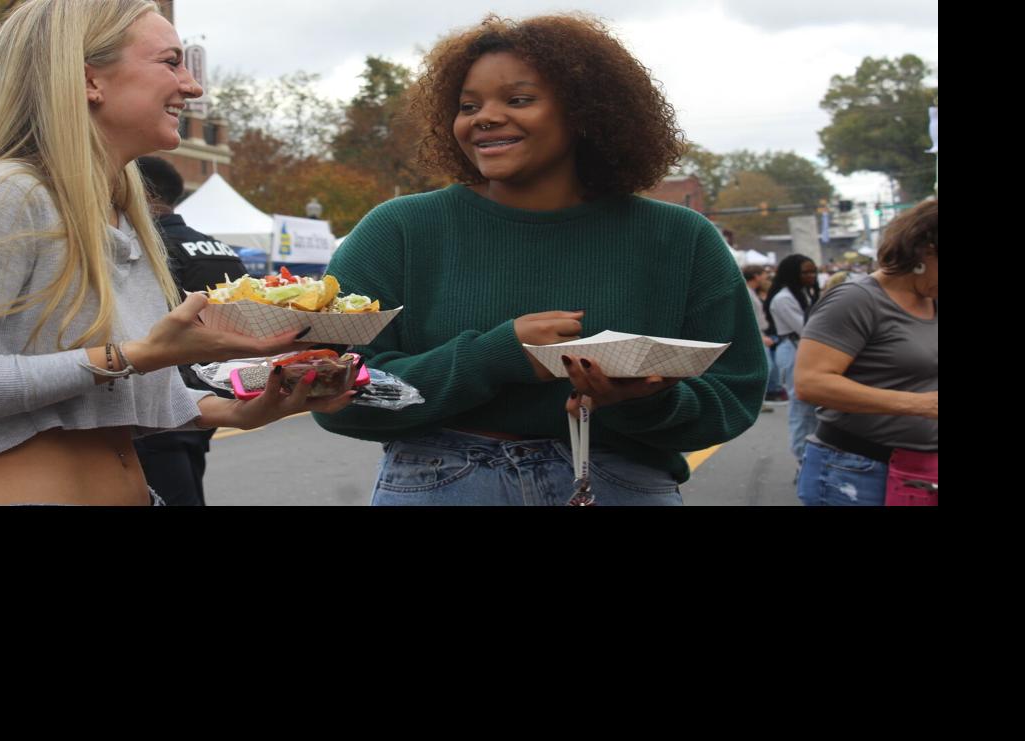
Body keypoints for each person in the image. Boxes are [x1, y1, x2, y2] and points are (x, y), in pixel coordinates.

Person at [0, 0, 353, 506]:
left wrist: (243, 409)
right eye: (171, 62)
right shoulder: (2, 198)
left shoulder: (118, 213)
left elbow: (103, 404)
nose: (192, 87)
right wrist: (135, 356)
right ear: (90, 81)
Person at [312, 12, 766, 505]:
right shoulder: (397, 230)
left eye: (518, 99)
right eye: (468, 105)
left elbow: (733, 396)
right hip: (441, 482)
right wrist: (492, 357)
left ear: (584, 112)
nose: (484, 117)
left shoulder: (681, 238)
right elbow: (331, 392)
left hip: (620, 482)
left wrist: (646, 401)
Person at [793, 197, 938, 506]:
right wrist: (920, 405)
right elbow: (811, 383)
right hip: (855, 470)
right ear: (926, 250)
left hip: (916, 471)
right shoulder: (856, 300)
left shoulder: (931, 301)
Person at [129, 154, 247, 506]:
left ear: (142, 193)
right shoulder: (219, 248)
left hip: (161, 394)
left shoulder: (148, 247)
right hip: (211, 388)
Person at [765, 253, 819, 461]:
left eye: (813, 271)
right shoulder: (784, 299)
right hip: (792, 350)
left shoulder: (806, 293)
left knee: (813, 408)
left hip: (804, 349)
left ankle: (810, 456)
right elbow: (807, 329)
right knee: (800, 406)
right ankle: (802, 458)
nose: (811, 276)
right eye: (806, 272)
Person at [743, 264, 785, 407]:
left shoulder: (750, 291)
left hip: (758, 334)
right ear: (756, 276)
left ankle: (762, 398)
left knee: (767, 366)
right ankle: (760, 397)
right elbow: (748, 317)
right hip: (755, 335)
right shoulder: (747, 292)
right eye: (763, 275)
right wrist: (760, 336)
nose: (766, 278)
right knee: (766, 366)